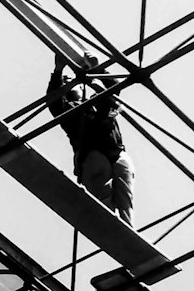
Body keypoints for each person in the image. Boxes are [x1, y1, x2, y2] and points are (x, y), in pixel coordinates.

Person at [46, 55, 135, 225]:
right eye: (65, 82)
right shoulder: (67, 110)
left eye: (70, 81)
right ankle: (112, 230)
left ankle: (126, 232)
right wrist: (58, 71)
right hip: (93, 157)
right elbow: (53, 99)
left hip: (115, 154)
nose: (68, 82)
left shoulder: (96, 100)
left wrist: (98, 69)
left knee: (126, 204)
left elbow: (115, 87)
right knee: (105, 207)